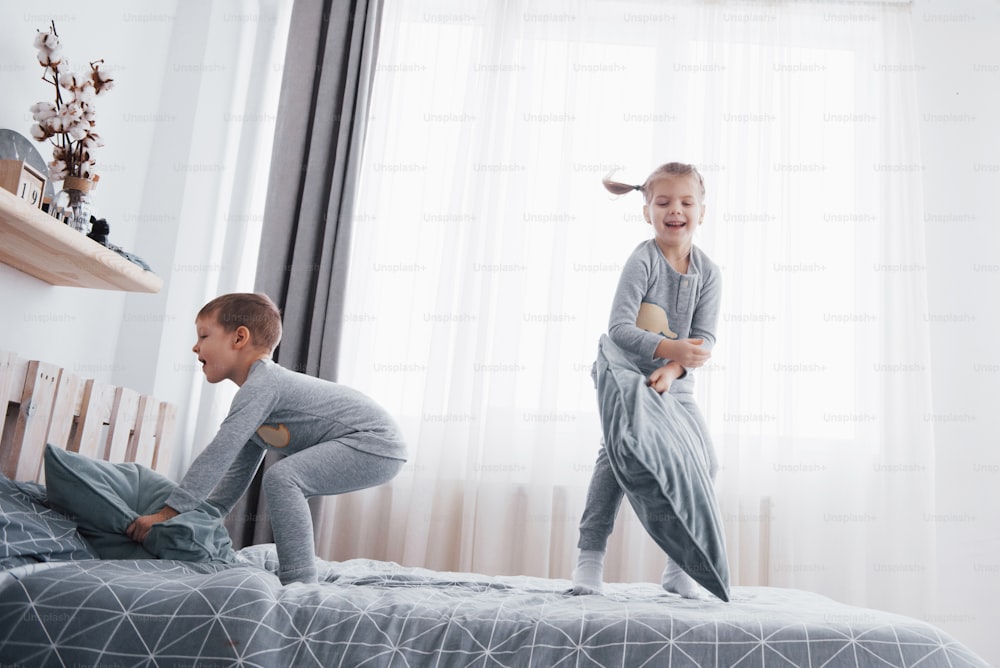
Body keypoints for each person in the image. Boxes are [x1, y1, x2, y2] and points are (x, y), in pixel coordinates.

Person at [126, 293, 407, 585]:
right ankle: (300, 576)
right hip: (379, 445)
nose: (195, 347)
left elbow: (220, 451)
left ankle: (300, 582)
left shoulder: (263, 384)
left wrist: (169, 512)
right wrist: (210, 514)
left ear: (239, 338)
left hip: (375, 442)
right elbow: (237, 468)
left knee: (283, 477)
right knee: (285, 478)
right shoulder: (259, 394)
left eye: (204, 335)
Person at [570, 162, 721, 598]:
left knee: (704, 463)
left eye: (686, 202)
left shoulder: (708, 274)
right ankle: (589, 560)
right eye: (664, 202)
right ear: (647, 212)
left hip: (674, 380)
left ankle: (680, 567)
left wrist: (674, 368)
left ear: (701, 212)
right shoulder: (643, 260)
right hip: (623, 373)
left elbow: (704, 337)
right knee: (617, 460)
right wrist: (668, 349)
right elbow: (619, 328)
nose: (676, 210)